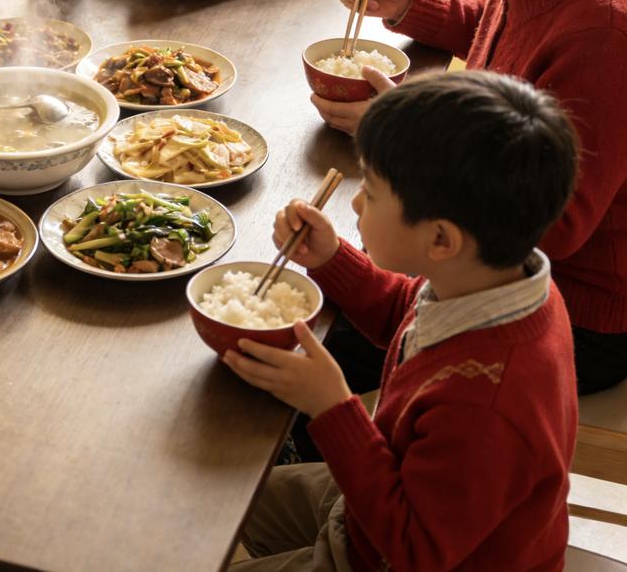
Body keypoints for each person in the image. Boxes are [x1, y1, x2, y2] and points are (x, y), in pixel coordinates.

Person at [313, 0, 627, 394]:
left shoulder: (608, 30)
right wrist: (408, 1)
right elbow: (508, 33)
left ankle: (328, 473)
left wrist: (412, 134)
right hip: (483, 261)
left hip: (557, 306)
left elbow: (552, 224)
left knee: (301, 325)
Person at [228, 71, 578, 571]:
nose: (353, 201)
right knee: (225, 490)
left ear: (440, 241)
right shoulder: (498, 282)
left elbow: (414, 550)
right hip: (377, 500)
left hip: (400, 552)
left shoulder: (488, 405)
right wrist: (332, 259)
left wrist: (333, 408)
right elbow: (406, 311)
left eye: (369, 191)